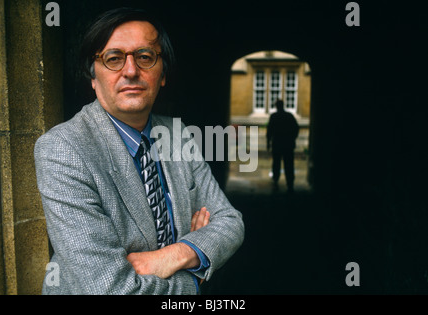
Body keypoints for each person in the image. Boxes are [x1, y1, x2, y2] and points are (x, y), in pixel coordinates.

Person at [34, 7, 244, 295]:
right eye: (113, 58)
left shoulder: (177, 134)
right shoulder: (63, 149)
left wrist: (179, 253)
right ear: (93, 77)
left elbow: (231, 222)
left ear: (163, 74)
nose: (131, 71)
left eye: (145, 57)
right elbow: (110, 289)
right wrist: (195, 278)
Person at [266, 99, 299, 192]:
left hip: (277, 143)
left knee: (276, 163)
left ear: (276, 106)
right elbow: (296, 128)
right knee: (289, 164)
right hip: (288, 144)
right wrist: (293, 138)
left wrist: (268, 143)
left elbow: (269, 131)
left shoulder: (274, 116)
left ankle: (275, 180)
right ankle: (290, 183)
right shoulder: (289, 116)